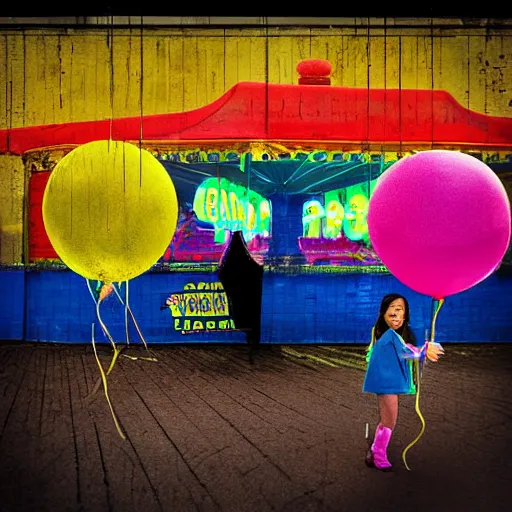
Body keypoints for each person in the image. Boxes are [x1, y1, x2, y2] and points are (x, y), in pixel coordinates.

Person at [362, 293, 443, 472]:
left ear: (405, 315)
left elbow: (408, 350)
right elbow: (407, 352)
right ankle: (378, 453)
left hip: (392, 379)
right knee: (389, 420)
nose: (396, 315)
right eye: (392, 311)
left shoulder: (399, 335)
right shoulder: (387, 335)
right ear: (383, 313)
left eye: (400, 311)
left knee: (388, 419)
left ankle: (376, 450)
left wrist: (422, 350)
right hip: (386, 382)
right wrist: (424, 351)